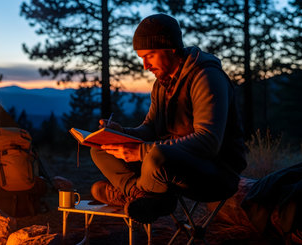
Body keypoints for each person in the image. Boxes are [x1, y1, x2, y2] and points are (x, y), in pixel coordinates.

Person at [90, 13, 247, 223]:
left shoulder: (206, 77)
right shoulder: (162, 83)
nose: (145, 65)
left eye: (150, 55)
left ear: (171, 48)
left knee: (156, 155)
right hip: (167, 162)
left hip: (215, 171)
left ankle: (140, 195)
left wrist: (142, 151)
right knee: (100, 150)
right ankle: (141, 195)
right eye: (141, 58)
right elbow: (150, 128)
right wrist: (121, 133)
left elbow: (208, 141)